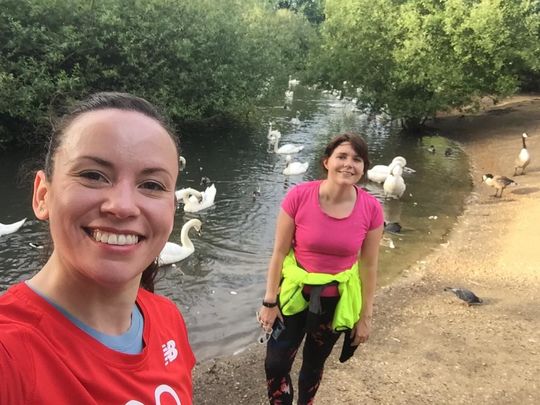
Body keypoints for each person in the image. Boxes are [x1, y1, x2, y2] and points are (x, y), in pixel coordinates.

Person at [0, 92, 195, 404]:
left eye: (152, 185)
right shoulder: (10, 355)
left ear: (172, 209)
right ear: (42, 196)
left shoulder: (167, 319)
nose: (123, 207)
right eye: (93, 175)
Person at [258, 132, 384, 405]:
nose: (349, 164)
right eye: (342, 156)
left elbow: (369, 265)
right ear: (327, 161)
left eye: (357, 159)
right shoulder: (299, 196)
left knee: (313, 366)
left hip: (333, 302)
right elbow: (279, 253)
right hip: (292, 296)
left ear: (364, 168)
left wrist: (365, 316)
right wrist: (269, 300)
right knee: (276, 363)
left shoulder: (371, 209)